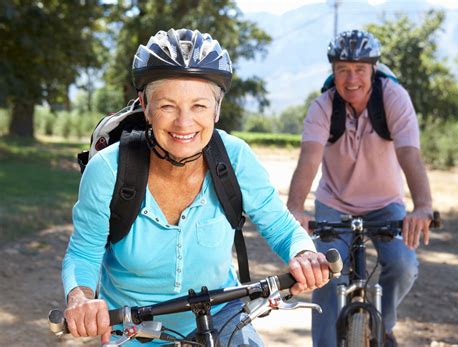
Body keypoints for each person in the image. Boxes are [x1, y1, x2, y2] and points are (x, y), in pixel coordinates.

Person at [62, 28, 331, 347]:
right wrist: (79, 298)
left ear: (217, 110)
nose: (183, 123)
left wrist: (304, 254)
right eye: (167, 106)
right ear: (145, 107)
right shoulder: (108, 169)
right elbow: (84, 249)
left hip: (222, 313)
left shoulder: (235, 157)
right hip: (131, 326)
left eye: (199, 106)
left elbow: (283, 228)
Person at [286, 30, 433, 347]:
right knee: (325, 270)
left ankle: (385, 323)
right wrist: (295, 208)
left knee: (403, 264)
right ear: (333, 71)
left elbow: (410, 154)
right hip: (334, 203)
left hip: (385, 204)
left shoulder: (394, 99)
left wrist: (422, 206)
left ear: (373, 70)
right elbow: (309, 160)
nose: (351, 79)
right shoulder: (324, 106)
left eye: (359, 70)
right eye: (342, 70)